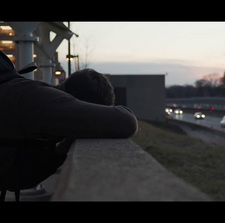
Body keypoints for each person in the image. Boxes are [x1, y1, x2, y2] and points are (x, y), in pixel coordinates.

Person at [0, 50, 138, 201]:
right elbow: (127, 122)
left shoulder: (32, 96)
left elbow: (16, 176)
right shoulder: (48, 103)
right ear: (82, 105)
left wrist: (59, 152)